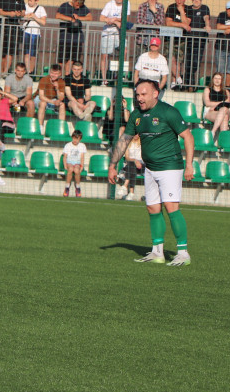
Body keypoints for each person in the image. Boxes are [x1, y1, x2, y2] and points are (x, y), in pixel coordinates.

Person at [108, 79, 194, 266]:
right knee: (152, 208)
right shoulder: (136, 115)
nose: (139, 98)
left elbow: (188, 136)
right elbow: (124, 140)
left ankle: (183, 252)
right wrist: (113, 164)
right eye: (137, 95)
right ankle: (157, 252)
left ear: (155, 94)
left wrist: (189, 165)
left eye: (143, 94)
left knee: (171, 208)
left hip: (170, 167)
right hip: (150, 168)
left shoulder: (168, 112)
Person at [56, 0, 91, 74]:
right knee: (61, 60)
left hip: (76, 38)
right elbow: (58, 15)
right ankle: (59, 76)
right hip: (64, 37)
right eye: (77, 5)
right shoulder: (64, 5)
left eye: (80, 5)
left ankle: (67, 76)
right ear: (74, 0)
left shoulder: (83, 8)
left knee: (71, 60)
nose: (78, 7)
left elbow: (90, 17)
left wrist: (79, 18)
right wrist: (70, 19)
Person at [99, 0, 129, 83]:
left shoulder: (126, 4)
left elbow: (126, 18)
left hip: (119, 32)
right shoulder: (109, 4)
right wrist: (114, 21)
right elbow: (101, 18)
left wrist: (115, 20)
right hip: (108, 32)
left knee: (124, 51)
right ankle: (104, 78)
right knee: (105, 55)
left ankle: (120, 74)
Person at [183, 0, 211, 91]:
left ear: (201, 0)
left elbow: (206, 17)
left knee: (196, 62)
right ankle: (188, 84)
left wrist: (207, 25)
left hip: (200, 40)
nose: (196, 0)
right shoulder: (188, 8)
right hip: (189, 40)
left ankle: (192, 84)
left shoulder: (204, 8)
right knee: (188, 63)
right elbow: (187, 21)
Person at [164, 0, 191, 89]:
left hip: (181, 40)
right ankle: (178, 77)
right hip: (169, 38)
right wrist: (181, 25)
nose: (178, 1)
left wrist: (181, 12)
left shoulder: (188, 9)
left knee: (178, 61)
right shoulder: (171, 7)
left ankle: (174, 82)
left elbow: (187, 23)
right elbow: (168, 23)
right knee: (170, 60)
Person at [0, 0, 26, 73]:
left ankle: (5, 72)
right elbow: (0, 12)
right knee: (2, 52)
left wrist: (20, 14)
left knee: (10, 52)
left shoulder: (21, 0)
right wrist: (9, 14)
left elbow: (23, 12)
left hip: (14, 29)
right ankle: (0, 71)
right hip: (3, 28)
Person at [22, 0, 46, 74]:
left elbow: (43, 22)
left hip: (35, 33)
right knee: (26, 53)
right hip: (27, 31)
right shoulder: (25, 6)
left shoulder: (41, 9)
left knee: (33, 54)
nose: (29, 2)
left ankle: (31, 71)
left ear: (36, 1)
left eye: (31, 1)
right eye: (29, 0)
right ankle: (27, 70)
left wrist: (35, 17)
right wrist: (27, 16)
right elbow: (22, 17)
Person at [202, 72, 230, 139]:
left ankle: (213, 131)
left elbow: (227, 103)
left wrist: (215, 105)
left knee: (224, 110)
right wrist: (221, 103)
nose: (217, 80)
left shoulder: (226, 91)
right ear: (212, 79)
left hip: (223, 110)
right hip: (210, 112)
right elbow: (207, 103)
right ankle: (223, 141)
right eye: (215, 78)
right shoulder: (207, 90)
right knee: (224, 117)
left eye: (219, 79)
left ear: (222, 80)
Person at [36, 63, 66, 127]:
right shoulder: (44, 80)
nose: (53, 75)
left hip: (53, 100)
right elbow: (41, 96)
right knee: (43, 103)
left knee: (62, 105)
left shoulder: (61, 82)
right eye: (52, 73)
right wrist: (53, 102)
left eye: (56, 74)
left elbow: (61, 97)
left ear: (60, 74)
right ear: (49, 72)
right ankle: (40, 127)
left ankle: (61, 126)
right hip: (40, 99)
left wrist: (57, 89)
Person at [62, 130, 87, 197]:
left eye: (77, 139)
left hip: (77, 162)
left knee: (76, 170)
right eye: (74, 138)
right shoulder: (68, 145)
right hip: (69, 162)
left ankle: (78, 187)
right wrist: (65, 165)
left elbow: (82, 157)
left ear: (80, 139)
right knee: (70, 169)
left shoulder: (82, 146)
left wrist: (81, 166)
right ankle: (67, 187)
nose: (75, 140)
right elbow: (65, 157)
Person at [117, 135, 142, 200]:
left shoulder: (142, 144)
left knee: (131, 167)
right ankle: (131, 193)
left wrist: (138, 161)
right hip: (131, 165)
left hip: (141, 165)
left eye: (137, 134)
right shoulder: (128, 144)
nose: (136, 135)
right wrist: (135, 160)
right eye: (135, 134)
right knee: (132, 167)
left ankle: (125, 186)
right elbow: (127, 157)